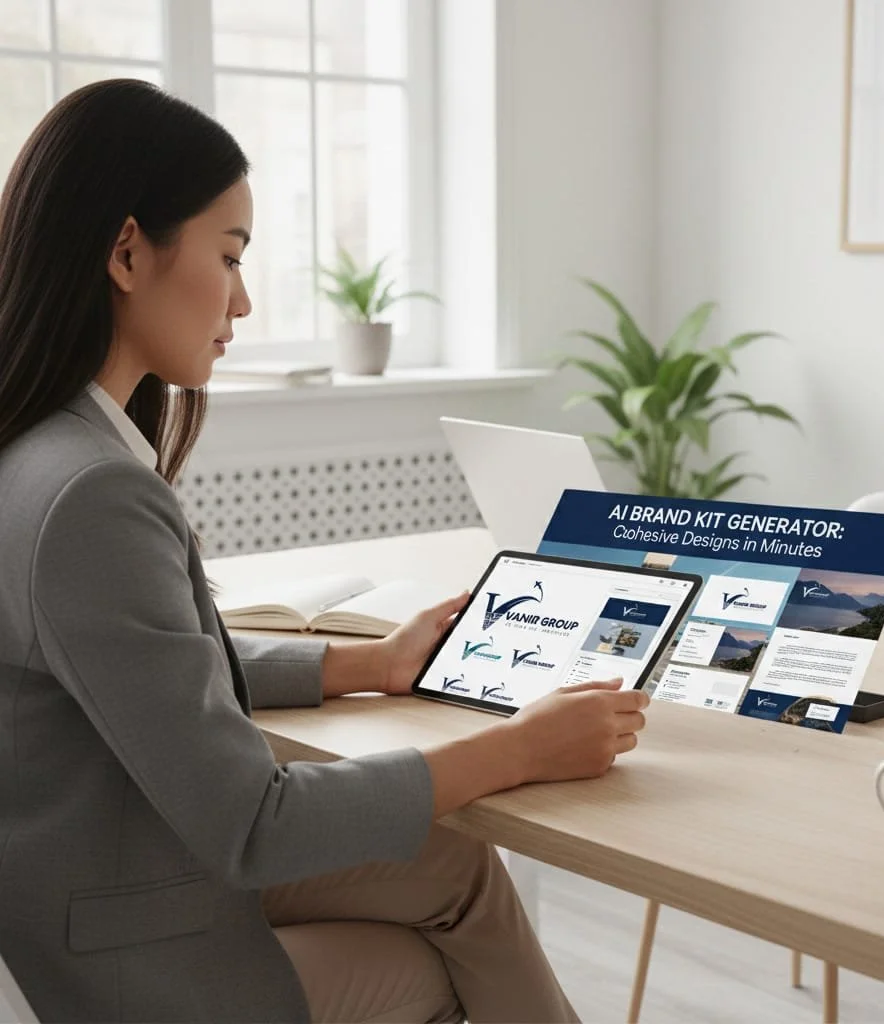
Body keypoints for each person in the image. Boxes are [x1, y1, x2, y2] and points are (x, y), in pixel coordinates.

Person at [0, 80, 649, 1024]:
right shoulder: (91, 494)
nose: (246, 300)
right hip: (121, 951)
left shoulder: (37, 449)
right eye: (229, 256)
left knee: (456, 865)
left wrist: (366, 663)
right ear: (127, 251)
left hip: (103, 871)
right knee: (429, 964)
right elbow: (252, 823)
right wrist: (517, 748)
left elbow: (152, 675)